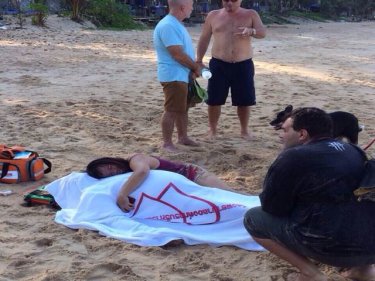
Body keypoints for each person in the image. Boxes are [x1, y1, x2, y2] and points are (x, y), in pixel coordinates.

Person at [243, 107, 375, 281]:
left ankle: (311, 274)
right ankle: (364, 271)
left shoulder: (293, 157)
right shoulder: (354, 150)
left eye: (285, 130)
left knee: (253, 218)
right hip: (370, 248)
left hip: (331, 247)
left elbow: (272, 208)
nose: (281, 134)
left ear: (302, 134)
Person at [196, 0, 266, 140]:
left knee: (244, 100)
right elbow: (204, 38)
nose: (229, 3)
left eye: (233, 0)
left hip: (243, 63)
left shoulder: (250, 14)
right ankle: (213, 130)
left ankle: (244, 130)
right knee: (214, 99)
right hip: (219, 63)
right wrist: (198, 60)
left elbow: (262, 32)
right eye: (226, 0)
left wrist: (252, 31)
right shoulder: (213, 15)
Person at [86, 154, 230, 212]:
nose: (114, 171)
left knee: (231, 196)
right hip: (181, 191)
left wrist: (122, 194)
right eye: (110, 174)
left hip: (193, 175)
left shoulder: (135, 159)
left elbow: (142, 171)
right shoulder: (124, 175)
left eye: (110, 167)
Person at [153, 0, 202, 152]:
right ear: (182, 7)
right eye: (191, 5)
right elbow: (177, 54)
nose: (192, 8)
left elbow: (182, 53)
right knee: (172, 110)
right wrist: (195, 67)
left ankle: (183, 137)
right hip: (173, 75)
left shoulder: (174, 24)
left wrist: (194, 67)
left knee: (183, 108)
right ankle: (167, 143)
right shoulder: (168, 25)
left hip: (181, 74)